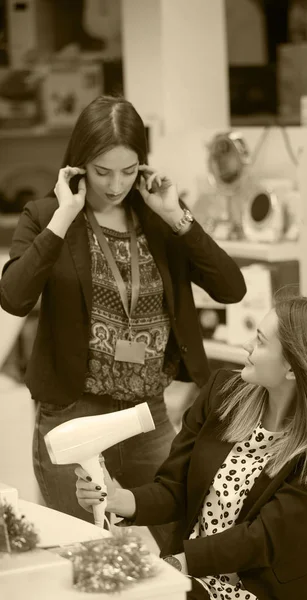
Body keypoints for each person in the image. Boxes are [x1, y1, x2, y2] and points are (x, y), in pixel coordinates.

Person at [0, 95, 246, 548]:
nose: (116, 186)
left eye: (129, 171)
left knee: (178, 537)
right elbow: (13, 298)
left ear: (144, 167)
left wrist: (176, 214)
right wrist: (63, 217)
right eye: (102, 171)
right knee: (78, 549)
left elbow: (232, 289)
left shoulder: (158, 216)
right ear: (78, 166)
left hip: (146, 413)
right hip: (74, 412)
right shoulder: (46, 215)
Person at [76, 296, 307, 600]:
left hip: (260, 590)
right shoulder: (223, 393)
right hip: (193, 577)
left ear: (292, 369)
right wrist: (116, 498)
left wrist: (173, 564)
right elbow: (176, 488)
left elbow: (263, 538)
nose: (247, 346)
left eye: (260, 342)